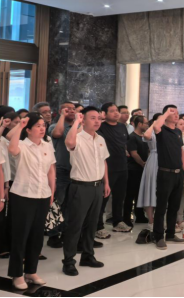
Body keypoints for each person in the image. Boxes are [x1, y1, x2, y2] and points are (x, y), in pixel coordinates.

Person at [6, 114, 56, 290]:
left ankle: (31, 271)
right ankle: (17, 274)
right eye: (38, 126)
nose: (42, 128)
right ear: (28, 130)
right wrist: (20, 125)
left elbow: (51, 170)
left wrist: (52, 191)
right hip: (23, 195)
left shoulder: (47, 145)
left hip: (43, 195)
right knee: (20, 236)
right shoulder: (21, 145)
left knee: (37, 236)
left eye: (43, 125)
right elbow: (12, 149)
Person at [62, 107, 111, 276]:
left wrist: (106, 182)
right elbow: (69, 143)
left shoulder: (101, 139)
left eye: (99, 118)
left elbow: (103, 162)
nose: (97, 121)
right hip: (80, 187)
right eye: (93, 118)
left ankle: (88, 256)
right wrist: (76, 121)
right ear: (84, 120)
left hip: (97, 186)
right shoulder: (77, 137)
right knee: (75, 225)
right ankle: (68, 261)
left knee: (92, 224)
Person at [144, 106, 184, 249]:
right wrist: (166, 113)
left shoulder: (178, 131)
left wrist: (183, 169)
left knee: (174, 206)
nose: (176, 115)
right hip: (165, 173)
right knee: (161, 207)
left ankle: (170, 234)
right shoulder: (161, 130)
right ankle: (158, 236)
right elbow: (156, 126)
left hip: (178, 173)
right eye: (172, 113)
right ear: (165, 115)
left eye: (177, 112)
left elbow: (180, 151)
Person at [96, 103, 131, 237]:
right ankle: (98, 225)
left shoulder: (122, 126)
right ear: (104, 114)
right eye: (112, 111)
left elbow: (125, 144)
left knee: (119, 197)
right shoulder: (101, 126)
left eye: (117, 110)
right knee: (104, 197)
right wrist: (99, 119)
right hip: (107, 167)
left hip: (122, 166)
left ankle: (118, 222)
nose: (116, 113)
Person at [47, 102, 76, 249]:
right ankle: (53, 235)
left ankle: (65, 232)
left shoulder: (76, 127)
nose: (71, 111)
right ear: (60, 111)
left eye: (73, 109)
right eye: (67, 109)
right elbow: (57, 134)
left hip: (75, 172)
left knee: (70, 205)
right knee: (56, 203)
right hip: (60, 170)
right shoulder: (55, 126)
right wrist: (63, 116)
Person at [0, 111, 19, 257]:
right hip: (4, 182)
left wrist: (5, 188)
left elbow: (1, 170)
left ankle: (3, 245)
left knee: (2, 218)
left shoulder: (0, 143)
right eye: (15, 122)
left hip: (5, 182)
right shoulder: (0, 140)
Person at [124, 115, 150, 226]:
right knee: (130, 194)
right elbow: (134, 154)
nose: (147, 125)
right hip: (133, 169)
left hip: (143, 169)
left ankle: (140, 215)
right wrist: (143, 164)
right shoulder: (132, 137)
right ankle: (126, 218)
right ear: (139, 124)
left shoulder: (144, 137)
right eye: (146, 123)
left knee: (140, 194)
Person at [137, 114, 160, 231]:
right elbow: (146, 136)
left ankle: (160, 220)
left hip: (166, 161)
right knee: (150, 191)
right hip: (154, 160)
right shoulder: (152, 132)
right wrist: (154, 124)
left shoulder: (166, 132)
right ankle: (151, 221)